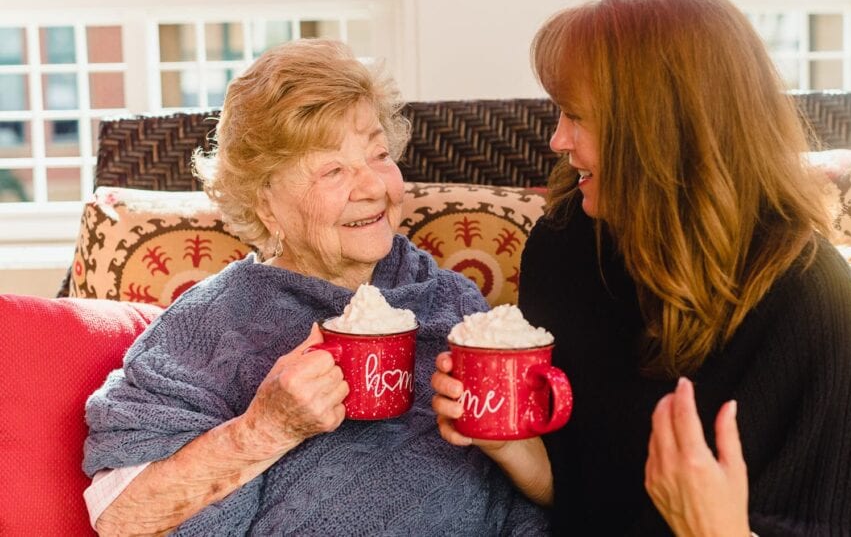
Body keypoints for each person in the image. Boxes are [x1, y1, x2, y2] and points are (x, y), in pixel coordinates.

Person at [431, 0, 851, 536]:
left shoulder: (811, 297)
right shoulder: (567, 243)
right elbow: (589, 500)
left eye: (577, 116)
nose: (556, 140)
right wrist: (515, 446)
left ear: (661, 130)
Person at [82, 38, 548, 535]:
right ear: (266, 203)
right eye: (332, 170)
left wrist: (501, 437)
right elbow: (120, 517)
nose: (372, 187)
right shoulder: (209, 326)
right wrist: (267, 427)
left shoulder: (454, 304)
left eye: (378, 154)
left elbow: (555, 489)